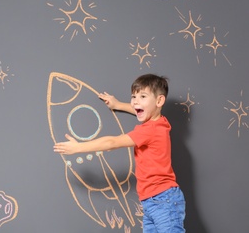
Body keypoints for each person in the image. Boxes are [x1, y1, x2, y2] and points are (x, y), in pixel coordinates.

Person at [53, 73, 186, 232]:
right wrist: (118, 105)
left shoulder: (151, 130)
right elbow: (139, 109)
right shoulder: (160, 121)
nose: (136, 101)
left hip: (163, 200)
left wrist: (78, 147)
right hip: (151, 201)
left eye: (143, 96)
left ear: (159, 101)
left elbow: (112, 143)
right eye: (133, 96)